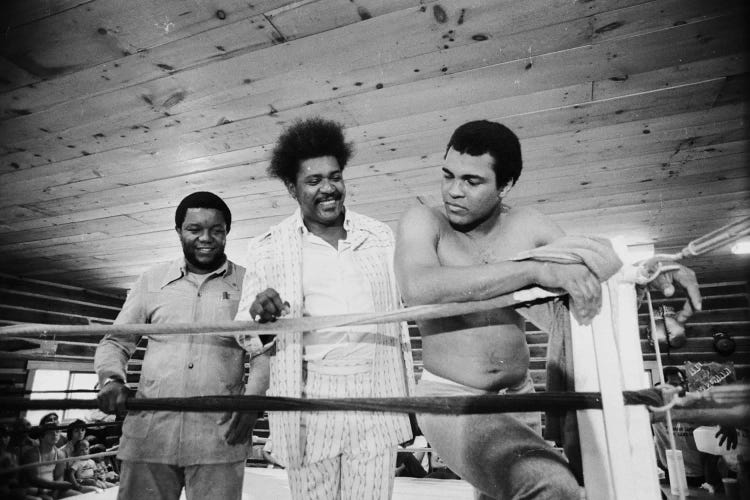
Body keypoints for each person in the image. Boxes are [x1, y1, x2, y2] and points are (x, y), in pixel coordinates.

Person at [394, 120, 703, 499]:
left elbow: (594, 268)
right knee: (550, 487)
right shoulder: (425, 220)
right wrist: (532, 269)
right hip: (452, 400)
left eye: (472, 181)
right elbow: (419, 287)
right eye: (448, 176)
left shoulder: (527, 224)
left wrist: (648, 270)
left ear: (504, 185)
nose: (453, 191)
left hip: (523, 397)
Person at [236, 117, 415, 499]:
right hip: (306, 397)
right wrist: (261, 317)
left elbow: (409, 298)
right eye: (313, 181)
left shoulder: (379, 236)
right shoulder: (268, 247)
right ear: (292, 188)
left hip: (375, 393)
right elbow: (245, 333)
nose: (328, 188)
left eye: (335, 177)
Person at [94, 191, 269, 500]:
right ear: (178, 232)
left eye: (217, 230)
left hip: (220, 438)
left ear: (227, 232)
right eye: (194, 229)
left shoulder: (249, 282)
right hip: (149, 438)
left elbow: (263, 351)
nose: (206, 238)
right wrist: (111, 379)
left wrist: (253, 401)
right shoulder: (151, 280)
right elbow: (117, 341)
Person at [20, 420, 85, 498]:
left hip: (54, 489)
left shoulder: (60, 454)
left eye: (57, 431)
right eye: (50, 432)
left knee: (79, 496)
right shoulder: (32, 453)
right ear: (42, 436)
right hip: (35, 489)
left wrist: (54, 495)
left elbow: (59, 478)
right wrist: (55, 487)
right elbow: (33, 479)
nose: (55, 434)